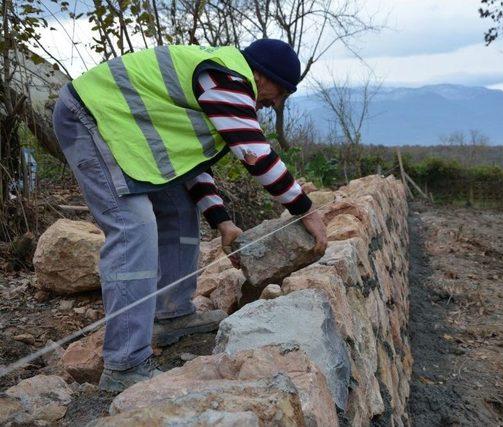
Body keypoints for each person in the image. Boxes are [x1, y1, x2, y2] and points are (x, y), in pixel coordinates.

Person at [52, 39, 327, 392]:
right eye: (281, 91)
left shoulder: (220, 84)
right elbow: (255, 153)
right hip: (89, 117)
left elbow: (186, 167)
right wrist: (304, 208)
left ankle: (171, 312)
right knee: (134, 227)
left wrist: (222, 221)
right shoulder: (226, 79)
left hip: (119, 128)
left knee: (181, 212)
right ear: (263, 74)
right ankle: (124, 365)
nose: (276, 103)